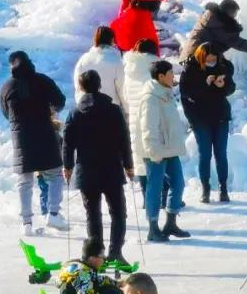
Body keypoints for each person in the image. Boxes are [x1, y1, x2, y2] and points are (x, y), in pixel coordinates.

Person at [63, 70, 134, 266]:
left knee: (93, 214)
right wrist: (129, 165)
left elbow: (68, 143)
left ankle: (96, 257)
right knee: (118, 212)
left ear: (81, 86)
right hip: (111, 168)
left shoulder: (75, 113)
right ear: (100, 85)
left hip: (87, 171)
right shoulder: (113, 110)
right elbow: (124, 140)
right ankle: (116, 253)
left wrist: (67, 166)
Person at [0, 50, 69, 236]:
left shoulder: (7, 87)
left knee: (25, 180)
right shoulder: (42, 81)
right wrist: (51, 109)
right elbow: (60, 101)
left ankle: (26, 223)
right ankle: (53, 213)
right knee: (54, 174)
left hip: (21, 137)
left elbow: (5, 113)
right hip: (45, 132)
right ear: (29, 63)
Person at [139, 60, 190, 242]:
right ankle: (153, 228)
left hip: (170, 148)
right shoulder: (151, 97)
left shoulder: (165, 93)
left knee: (178, 184)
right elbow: (148, 126)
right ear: (161, 77)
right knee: (155, 187)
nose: (173, 77)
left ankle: (171, 222)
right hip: (156, 150)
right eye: (170, 74)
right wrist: (153, 150)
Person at [179, 42, 235, 203]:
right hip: (200, 119)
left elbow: (231, 88)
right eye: (208, 59)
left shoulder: (223, 66)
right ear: (200, 57)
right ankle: (206, 189)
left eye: (214, 58)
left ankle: (223, 188)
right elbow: (186, 95)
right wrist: (205, 84)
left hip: (220, 116)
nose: (212, 61)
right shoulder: (190, 70)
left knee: (221, 154)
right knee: (204, 154)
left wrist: (222, 85)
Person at [123, 39, 160, 198]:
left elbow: (125, 95)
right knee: (157, 156)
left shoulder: (129, 69)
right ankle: (159, 196)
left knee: (139, 157)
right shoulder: (156, 68)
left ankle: (146, 196)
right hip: (153, 116)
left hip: (134, 116)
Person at [180, 0, 247, 61]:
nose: (235, 17)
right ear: (228, 13)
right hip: (195, 61)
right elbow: (239, 43)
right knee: (227, 71)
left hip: (187, 55)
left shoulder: (209, 17)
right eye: (234, 14)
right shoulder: (221, 27)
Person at [75, 26, 128, 112]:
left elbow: (78, 86)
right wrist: (127, 109)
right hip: (110, 108)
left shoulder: (83, 59)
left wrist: (80, 104)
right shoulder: (117, 61)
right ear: (112, 40)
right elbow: (122, 89)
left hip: (87, 108)